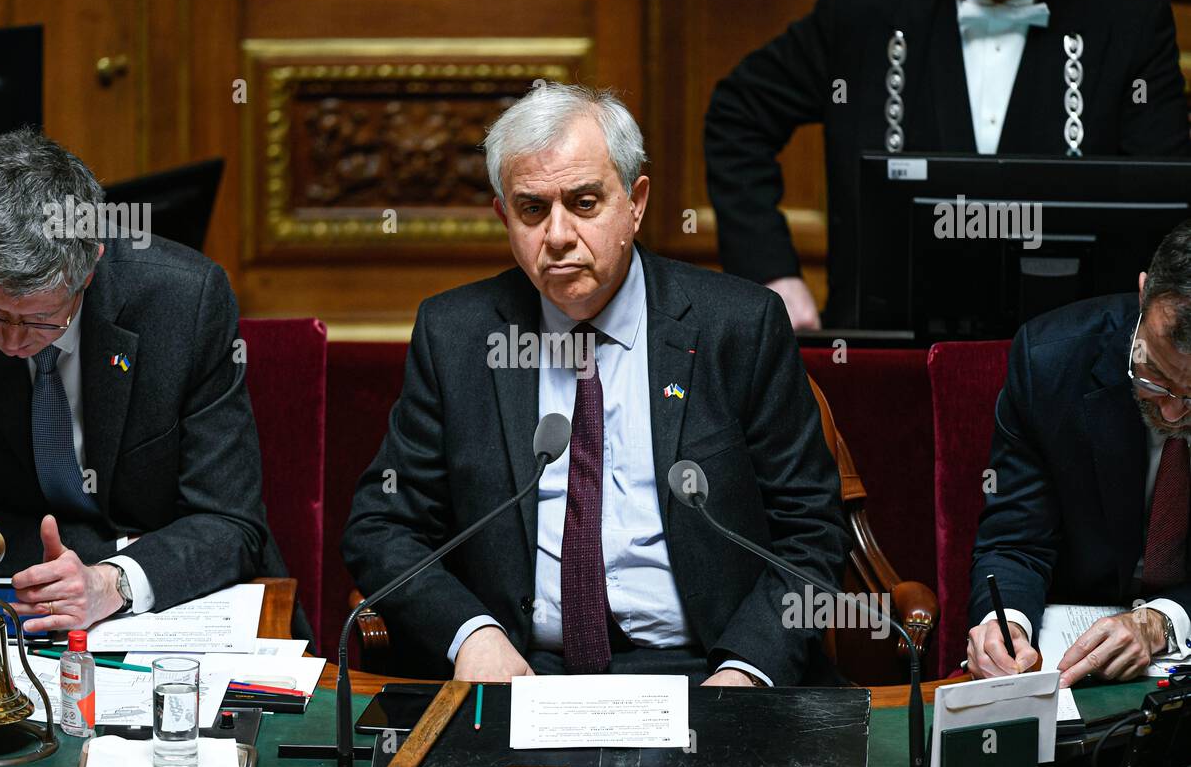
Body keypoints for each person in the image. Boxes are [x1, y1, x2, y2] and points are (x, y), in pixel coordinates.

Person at [343, 83, 849, 684]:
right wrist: (469, 636)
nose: (557, 236)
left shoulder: (736, 326)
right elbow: (382, 524)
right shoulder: (457, 336)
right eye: (533, 209)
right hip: (520, 671)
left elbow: (812, 529)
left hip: (709, 669)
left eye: (584, 203)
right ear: (505, 215)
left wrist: (748, 667)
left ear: (634, 203)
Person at [0, 128, 310, 641]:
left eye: (42, 319)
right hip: (12, 606)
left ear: (89, 267)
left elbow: (229, 522)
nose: (13, 340)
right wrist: (94, 564)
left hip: (185, 604)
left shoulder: (188, 301)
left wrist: (115, 580)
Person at [705, 0, 1190, 330]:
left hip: (1068, 367)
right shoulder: (861, 10)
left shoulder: (1129, 25)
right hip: (887, 351)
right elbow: (738, 116)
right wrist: (770, 274)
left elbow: (1164, 197)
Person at [967, 222, 1191, 686]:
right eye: (1156, 377)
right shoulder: (1050, 362)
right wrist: (1004, 625)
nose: (1172, 412)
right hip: (1072, 653)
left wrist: (1161, 622)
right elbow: (1016, 542)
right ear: (1144, 292)